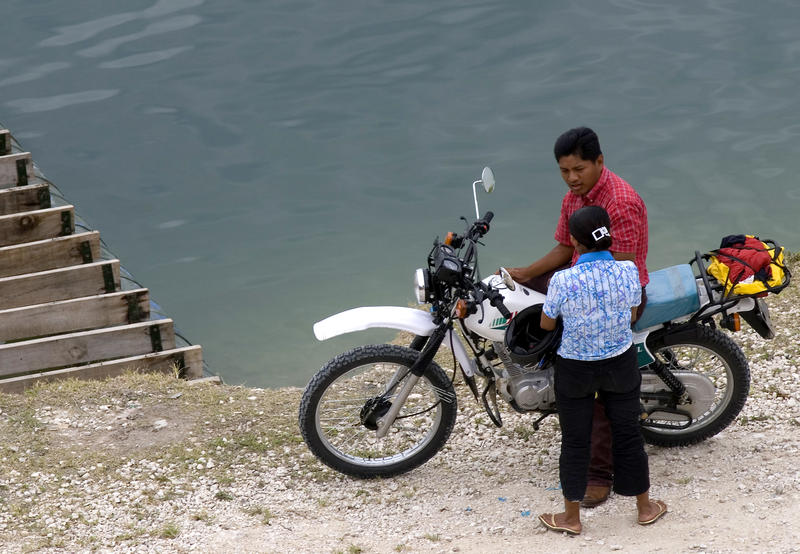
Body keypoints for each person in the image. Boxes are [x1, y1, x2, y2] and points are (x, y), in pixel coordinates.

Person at [507, 127, 649, 508]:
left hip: (621, 290)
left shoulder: (621, 202)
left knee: (594, 368)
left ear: (599, 161)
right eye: (564, 170)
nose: (571, 177)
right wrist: (527, 272)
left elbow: (625, 266)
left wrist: (578, 304)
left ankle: (599, 473)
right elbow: (565, 246)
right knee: (514, 297)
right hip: (582, 275)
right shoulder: (576, 197)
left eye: (579, 168)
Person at [537, 206, 666, 535]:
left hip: (576, 368)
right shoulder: (628, 270)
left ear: (575, 243)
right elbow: (634, 312)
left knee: (576, 441)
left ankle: (572, 518)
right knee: (628, 436)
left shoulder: (563, 280)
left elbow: (546, 322)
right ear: (608, 234)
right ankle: (645, 508)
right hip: (620, 364)